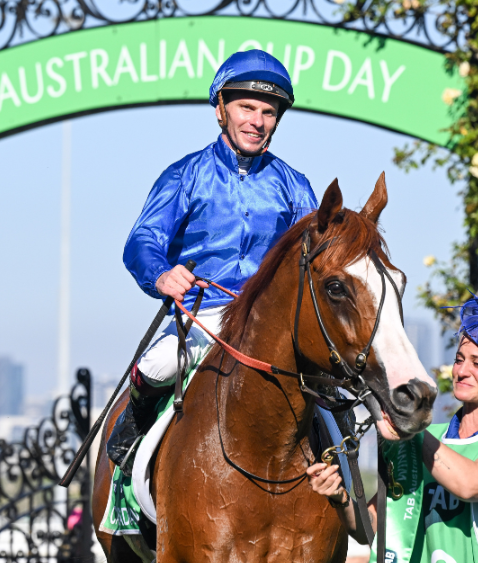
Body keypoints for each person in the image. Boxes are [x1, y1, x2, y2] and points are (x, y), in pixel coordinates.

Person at [107, 49, 318, 468]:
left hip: (273, 322)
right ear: (220, 108)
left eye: (268, 112)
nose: (257, 121)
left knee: (332, 391)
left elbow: (316, 258)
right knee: (160, 364)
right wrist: (162, 275)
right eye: (246, 107)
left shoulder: (295, 187)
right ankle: (130, 440)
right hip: (205, 314)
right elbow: (143, 239)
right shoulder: (184, 175)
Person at [307, 294, 478, 563]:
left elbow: (470, 484)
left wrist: (409, 425)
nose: (462, 371)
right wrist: (340, 497)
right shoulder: (427, 440)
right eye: (459, 359)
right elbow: (371, 528)